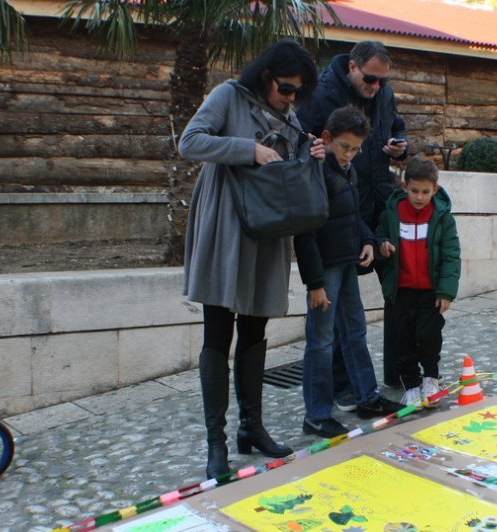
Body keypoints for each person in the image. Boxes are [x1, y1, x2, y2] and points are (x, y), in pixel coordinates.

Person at [179, 40, 326, 479]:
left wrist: (311, 156)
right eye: (286, 88)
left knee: (255, 332)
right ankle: (216, 443)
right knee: (217, 334)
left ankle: (252, 428)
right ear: (265, 76)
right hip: (225, 227)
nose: (291, 97)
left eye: (298, 91)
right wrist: (248, 149)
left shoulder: (290, 116)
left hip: (267, 231)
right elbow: (191, 142)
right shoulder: (228, 96)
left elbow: (289, 171)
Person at [296, 40, 410, 406]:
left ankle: (379, 385)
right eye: (371, 79)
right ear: (352, 68)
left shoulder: (383, 94)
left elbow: (395, 125)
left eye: (382, 81)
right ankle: (330, 397)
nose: (376, 87)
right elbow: (297, 142)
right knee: (326, 330)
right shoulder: (321, 95)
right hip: (331, 225)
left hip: (372, 206)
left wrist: (399, 145)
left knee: (364, 319)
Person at [375, 156, 461, 407]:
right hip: (400, 291)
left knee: (429, 337)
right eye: (414, 191)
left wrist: (446, 292)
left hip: (430, 292)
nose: (420, 197)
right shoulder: (392, 213)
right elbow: (379, 234)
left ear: (435, 189)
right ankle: (411, 384)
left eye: (425, 192)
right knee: (402, 339)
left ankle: (431, 377)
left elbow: (451, 254)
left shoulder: (443, 216)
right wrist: (383, 245)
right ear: (404, 187)